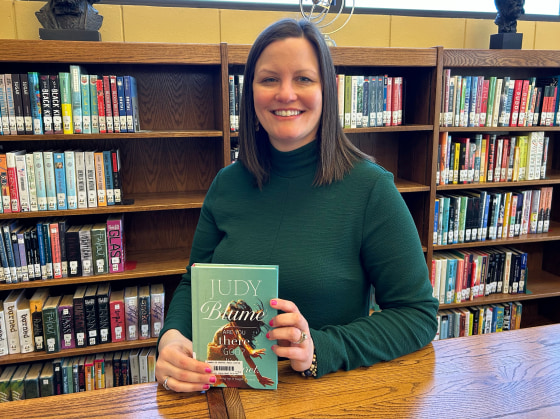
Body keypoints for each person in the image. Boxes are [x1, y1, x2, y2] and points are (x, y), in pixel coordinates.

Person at [156, 18, 439, 393]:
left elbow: (417, 315)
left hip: (325, 397)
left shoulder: (370, 189)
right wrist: (171, 340)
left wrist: (319, 348)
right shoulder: (226, 184)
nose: (286, 94)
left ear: (326, 91)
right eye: (269, 79)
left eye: (304, 79)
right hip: (228, 396)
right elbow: (196, 280)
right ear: (250, 92)